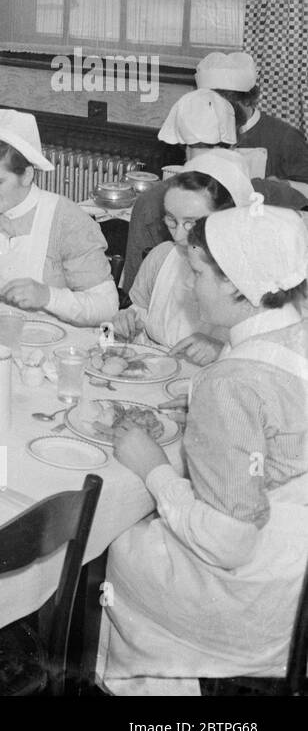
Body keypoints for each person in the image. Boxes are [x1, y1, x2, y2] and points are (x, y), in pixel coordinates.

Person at [100, 204, 308, 696]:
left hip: (254, 601)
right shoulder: (293, 334)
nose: (189, 287)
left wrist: (151, 467)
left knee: (115, 540)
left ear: (239, 283)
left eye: (197, 273)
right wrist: (202, 415)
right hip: (296, 573)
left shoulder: (230, 381)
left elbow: (227, 541)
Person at [0, 109, 118, 326]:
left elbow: (107, 308)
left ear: (27, 175)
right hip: (2, 327)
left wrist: (47, 296)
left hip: (63, 337)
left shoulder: (66, 220)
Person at [119, 89, 307, 291]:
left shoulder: (153, 200)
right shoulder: (265, 191)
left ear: (183, 145)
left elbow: (134, 286)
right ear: (234, 143)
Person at [112, 150, 254, 363]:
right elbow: (138, 319)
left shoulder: (254, 278)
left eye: (191, 223)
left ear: (228, 217)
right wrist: (124, 324)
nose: (179, 236)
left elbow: (267, 359)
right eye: (171, 220)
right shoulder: (162, 257)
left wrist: (223, 350)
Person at [197, 50, 308, 184]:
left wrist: (285, 186)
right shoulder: (195, 131)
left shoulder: (286, 138)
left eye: (228, 105)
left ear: (248, 100)